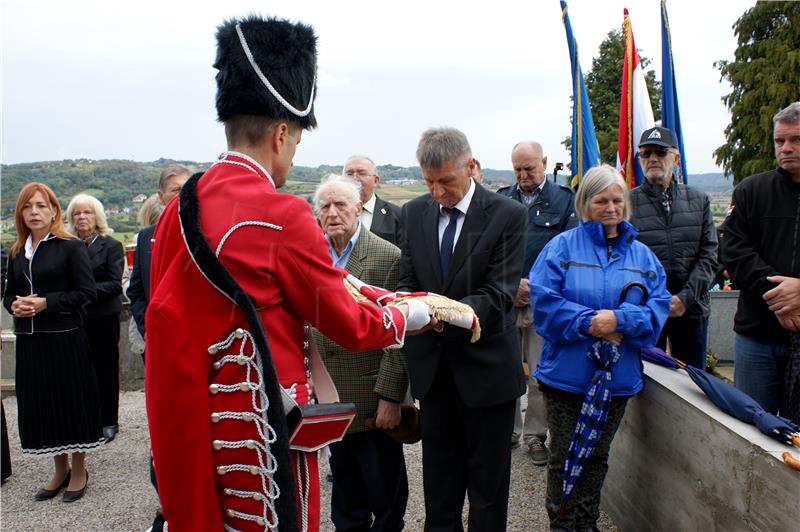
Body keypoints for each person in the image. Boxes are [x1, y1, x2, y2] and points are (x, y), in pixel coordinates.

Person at [144, 16, 431, 532]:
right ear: (281, 132)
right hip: (261, 434)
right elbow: (346, 321)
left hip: (194, 427)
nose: (293, 155)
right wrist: (413, 312)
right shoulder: (282, 213)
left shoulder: (177, 209)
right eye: (296, 142)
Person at [398, 127, 527, 531]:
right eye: (429, 182)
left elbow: (498, 294)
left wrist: (434, 313)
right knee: (440, 483)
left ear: (471, 167)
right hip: (434, 374)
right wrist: (404, 307)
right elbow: (406, 278)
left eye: (446, 182)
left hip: (487, 372)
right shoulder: (414, 212)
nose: (437, 192)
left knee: (488, 488)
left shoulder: (508, 214)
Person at [530, 165, 670, 531]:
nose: (610, 208)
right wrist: (591, 323)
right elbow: (545, 307)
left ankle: (586, 523)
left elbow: (656, 312)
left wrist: (619, 321)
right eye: (601, 200)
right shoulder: (560, 249)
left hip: (616, 380)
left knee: (596, 457)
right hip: (566, 378)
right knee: (564, 457)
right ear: (584, 203)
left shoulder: (643, 258)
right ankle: (561, 523)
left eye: (616, 200)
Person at [311, 175, 409, 531]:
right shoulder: (310, 257)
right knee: (346, 500)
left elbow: (400, 334)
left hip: (371, 399)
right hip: (329, 399)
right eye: (325, 206)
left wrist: (390, 396)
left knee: (385, 499)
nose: (333, 213)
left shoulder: (387, 256)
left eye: (341, 205)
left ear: (358, 208)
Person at [3, 183, 102, 503]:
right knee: (43, 405)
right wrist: (14, 306)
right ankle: (58, 467)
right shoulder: (17, 251)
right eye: (28, 206)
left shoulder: (69, 247)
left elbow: (87, 293)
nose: (34, 212)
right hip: (31, 342)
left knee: (70, 402)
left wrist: (48, 302)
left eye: (41, 206)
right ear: (20, 213)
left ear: (54, 211)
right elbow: (8, 294)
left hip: (65, 338)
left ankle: (79, 469)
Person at [498, 140, 577, 464]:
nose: (523, 174)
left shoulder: (563, 200)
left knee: (540, 373)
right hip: (504, 300)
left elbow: (568, 252)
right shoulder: (501, 200)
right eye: (517, 169)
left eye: (529, 167)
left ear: (544, 162)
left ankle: (535, 435)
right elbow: (487, 250)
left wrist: (537, 287)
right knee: (505, 371)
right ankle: (509, 431)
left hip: (543, 304)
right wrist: (508, 285)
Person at [722, 101, 800, 415]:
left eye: (796, 140)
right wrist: (781, 297)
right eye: (780, 141)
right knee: (751, 431)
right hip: (758, 336)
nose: (786, 148)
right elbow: (734, 251)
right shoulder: (751, 191)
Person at [629, 126, 718, 370]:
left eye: (660, 152)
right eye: (646, 154)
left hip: (691, 311)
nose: (653, 159)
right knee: (644, 382)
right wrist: (654, 302)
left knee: (694, 386)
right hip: (645, 312)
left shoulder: (699, 200)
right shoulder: (626, 203)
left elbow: (709, 255)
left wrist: (684, 299)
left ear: (676, 158)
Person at [66, 194, 125, 443]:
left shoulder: (111, 246)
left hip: (103, 317)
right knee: (80, 370)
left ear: (97, 216)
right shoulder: (67, 246)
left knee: (105, 368)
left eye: (87, 212)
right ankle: (87, 418)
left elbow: (114, 284)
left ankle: (109, 421)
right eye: (77, 213)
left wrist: (83, 291)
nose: (82, 217)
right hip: (75, 317)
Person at [126, 164, 191, 341]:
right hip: (159, 335)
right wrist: (146, 328)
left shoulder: (208, 234)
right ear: (161, 197)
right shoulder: (146, 237)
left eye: (186, 188)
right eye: (176, 190)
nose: (182, 195)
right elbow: (136, 290)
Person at [343, 155, 403, 246]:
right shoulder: (329, 215)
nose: (354, 178)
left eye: (361, 173)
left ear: (376, 180)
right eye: (349, 174)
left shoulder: (397, 215)